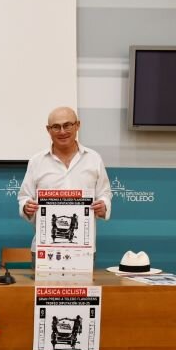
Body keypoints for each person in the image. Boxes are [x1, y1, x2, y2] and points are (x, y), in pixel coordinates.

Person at [17, 106, 111, 251]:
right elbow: (24, 197)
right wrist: (26, 207)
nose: (62, 131)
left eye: (67, 125)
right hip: (44, 249)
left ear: (77, 125)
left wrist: (103, 205)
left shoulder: (94, 159)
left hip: (83, 250)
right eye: (56, 127)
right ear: (48, 130)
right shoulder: (37, 161)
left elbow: (105, 194)